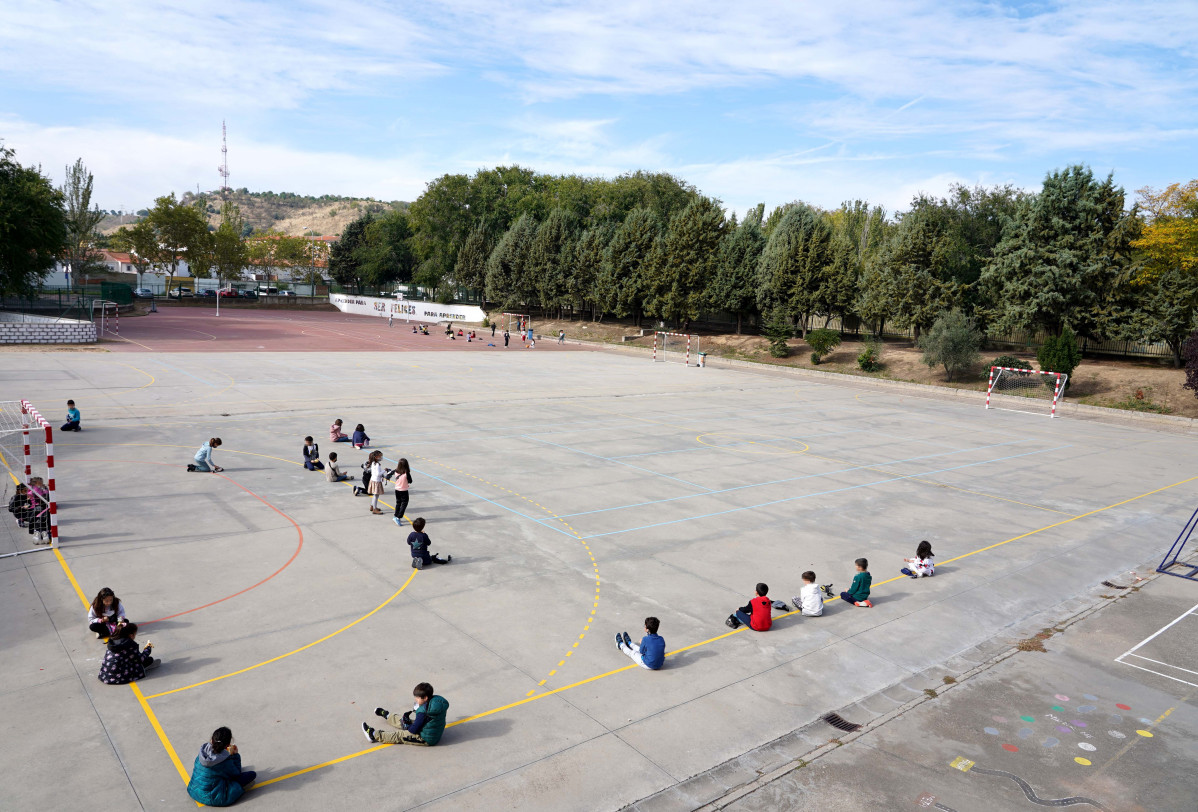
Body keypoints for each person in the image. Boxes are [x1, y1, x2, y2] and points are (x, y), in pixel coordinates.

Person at [186, 727, 256, 806]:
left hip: (193, 791)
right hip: (214, 798)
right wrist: (234, 755)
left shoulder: (202, 754)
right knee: (251, 775)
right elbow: (236, 773)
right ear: (227, 745)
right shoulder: (224, 762)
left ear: (212, 740)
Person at [362, 682, 449, 746]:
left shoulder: (422, 713)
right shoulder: (436, 702)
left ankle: (373, 735)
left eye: (417, 698)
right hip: (433, 731)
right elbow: (424, 720)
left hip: (426, 738)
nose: (415, 699)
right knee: (407, 721)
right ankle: (389, 716)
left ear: (425, 698)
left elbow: (413, 730)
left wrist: (408, 726)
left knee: (400, 735)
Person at [388, 458, 413, 527]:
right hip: (403, 490)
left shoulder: (396, 471)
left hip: (397, 489)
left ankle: (395, 516)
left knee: (398, 503)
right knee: (404, 503)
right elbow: (410, 481)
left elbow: (390, 473)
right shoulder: (406, 473)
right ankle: (398, 517)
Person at [26, 477, 50, 544]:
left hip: (33, 509)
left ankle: (38, 534)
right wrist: (46, 489)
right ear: (36, 483)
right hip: (39, 508)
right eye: (41, 483)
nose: (42, 484)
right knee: (42, 521)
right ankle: (43, 534)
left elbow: (29, 496)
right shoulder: (37, 489)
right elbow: (45, 497)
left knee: (37, 522)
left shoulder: (31, 488)